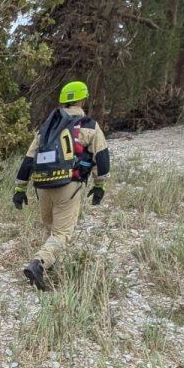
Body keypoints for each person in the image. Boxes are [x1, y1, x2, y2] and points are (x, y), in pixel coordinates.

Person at [12, 80, 111, 290]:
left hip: (42, 186)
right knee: (62, 233)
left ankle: (47, 269)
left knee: (50, 229)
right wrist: (100, 185)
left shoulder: (46, 128)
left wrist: (20, 189)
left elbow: (29, 160)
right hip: (69, 184)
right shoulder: (89, 126)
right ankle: (39, 263)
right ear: (82, 99)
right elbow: (102, 159)